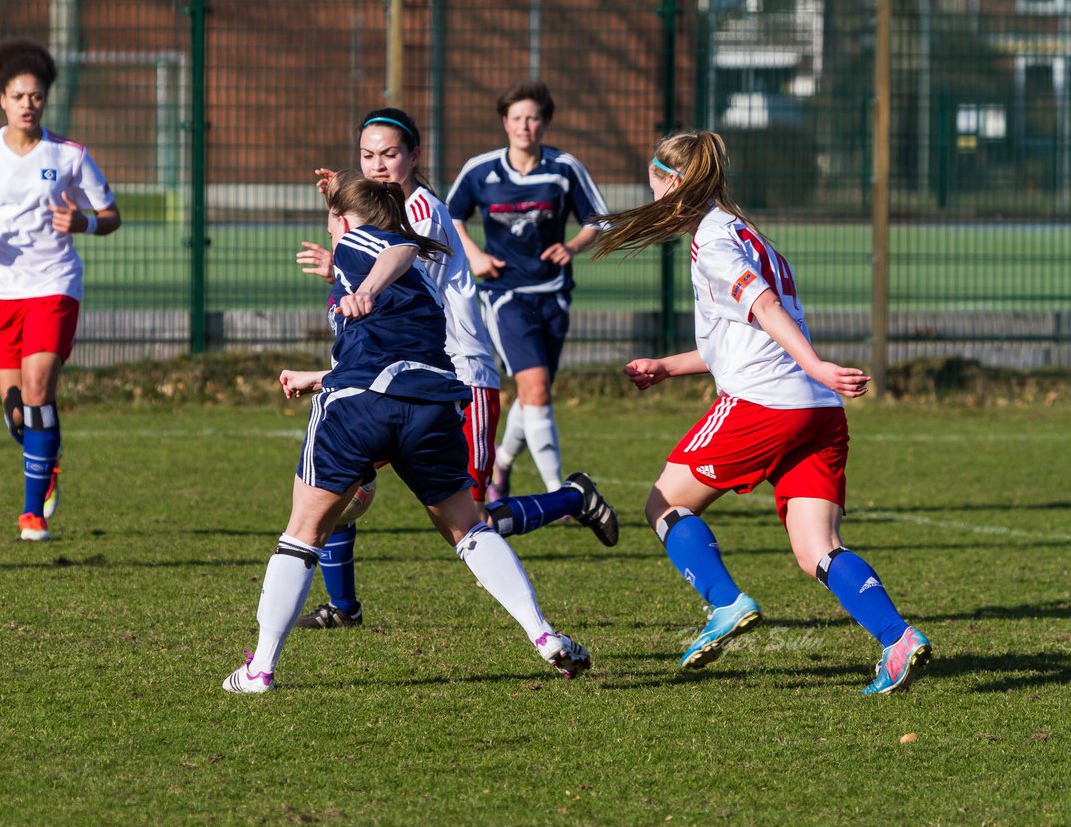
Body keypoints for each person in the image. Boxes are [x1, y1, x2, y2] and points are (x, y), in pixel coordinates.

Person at [593, 129, 931, 694]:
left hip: (765, 403)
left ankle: (725, 603)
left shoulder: (714, 242)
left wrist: (818, 363)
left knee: (664, 502)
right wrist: (667, 367)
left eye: (653, 184)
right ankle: (898, 639)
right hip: (817, 412)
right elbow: (742, 335)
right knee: (816, 548)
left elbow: (765, 307)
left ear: (672, 181)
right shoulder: (751, 236)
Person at [223, 174, 591, 693]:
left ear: (344, 224)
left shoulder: (369, 245)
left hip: (359, 410)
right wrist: (318, 375)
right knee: (468, 527)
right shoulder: (409, 283)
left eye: (332, 227)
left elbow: (396, 245)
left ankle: (259, 668)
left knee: (302, 533)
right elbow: (389, 359)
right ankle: (542, 634)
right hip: (429, 406)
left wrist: (367, 283)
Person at [293, 109, 618, 630]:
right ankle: (344, 606)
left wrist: (343, 248)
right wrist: (342, 243)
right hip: (390, 379)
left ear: (414, 156)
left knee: (470, 519)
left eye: (390, 154)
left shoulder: (418, 211)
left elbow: (395, 285)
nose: (378, 167)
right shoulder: (381, 218)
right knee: (333, 485)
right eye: (367, 156)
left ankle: (570, 498)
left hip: (455, 379)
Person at [0, 38, 121, 541]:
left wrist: (81, 222)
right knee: (19, 412)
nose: (27, 104)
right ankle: (48, 454)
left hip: (52, 282)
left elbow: (110, 216)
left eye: (36, 96)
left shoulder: (70, 155)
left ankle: (31, 512)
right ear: (3, 98)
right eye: (18, 96)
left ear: (45, 99)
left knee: (40, 392)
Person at [445, 80, 609, 499]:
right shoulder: (481, 170)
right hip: (504, 295)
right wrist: (476, 256)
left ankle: (499, 464)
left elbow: (600, 219)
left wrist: (572, 246)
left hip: (553, 292)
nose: (525, 126)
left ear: (545, 122)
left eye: (533, 117)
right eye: (516, 118)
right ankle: (561, 493)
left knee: (533, 392)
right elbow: (451, 217)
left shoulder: (563, 167)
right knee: (534, 387)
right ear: (504, 122)